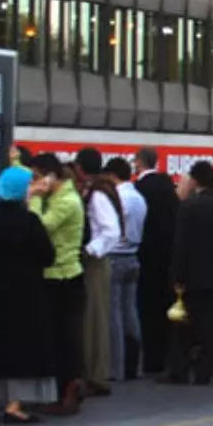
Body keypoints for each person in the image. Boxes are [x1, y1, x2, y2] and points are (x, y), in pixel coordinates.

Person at [0, 166, 56, 424]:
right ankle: (14, 405)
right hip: (26, 292)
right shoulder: (29, 220)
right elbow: (47, 255)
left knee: (0, 344)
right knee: (23, 346)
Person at [165, 161, 213, 385]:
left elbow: (180, 245)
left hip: (192, 276)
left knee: (183, 324)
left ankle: (179, 370)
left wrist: (177, 275)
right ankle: (204, 370)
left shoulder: (188, 207)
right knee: (212, 323)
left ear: (195, 180)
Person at [26, 153, 87, 415]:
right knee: (58, 337)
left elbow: (39, 226)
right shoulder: (60, 197)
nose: (34, 183)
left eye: (38, 177)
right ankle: (64, 388)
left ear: (52, 176)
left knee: (65, 337)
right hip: (55, 274)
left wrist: (35, 198)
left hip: (63, 276)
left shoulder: (66, 201)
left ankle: (69, 389)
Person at [74, 148, 122, 397]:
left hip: (95, 261)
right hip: (96, 260)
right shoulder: (99, 189)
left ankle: (97, 373)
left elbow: (111, 231)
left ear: (80, 168)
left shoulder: (96, 195)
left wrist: (90, 250)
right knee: (93, 318)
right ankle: (94, 371)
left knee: (95, 318)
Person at [133, 147, 179, 376]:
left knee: (145, 308)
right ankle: (165, 355)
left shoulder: (138, 189)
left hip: (145, 255)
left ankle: (150, 359)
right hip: (168, 256)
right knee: (164, 307)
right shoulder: (168, 187)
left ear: (139, 163)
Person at [103, 157, 147, 380]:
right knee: (131, 311)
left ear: (112, 175)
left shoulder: (118, 197)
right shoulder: (139, 197)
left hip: (115, 256)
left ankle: (116, 368)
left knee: (114, 314)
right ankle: (134, 365)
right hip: (133, 255)